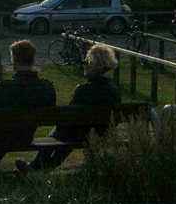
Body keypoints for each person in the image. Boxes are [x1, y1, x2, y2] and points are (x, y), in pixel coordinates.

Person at [0, 39, 58, 170]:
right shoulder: (46, 87)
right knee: (1, 133)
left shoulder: (2, 88)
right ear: (33, 60)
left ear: (14, 60)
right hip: (25, 136)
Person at [38, 42, 123, 170]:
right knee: (66, 135)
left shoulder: (83, 90)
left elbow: (69, 116)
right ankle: (43, 167)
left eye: (86, 62)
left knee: (58, 133)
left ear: (92, 66)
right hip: (102, 132)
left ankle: (37, 166)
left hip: (79, 133)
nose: (83, 65)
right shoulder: (115, 91)